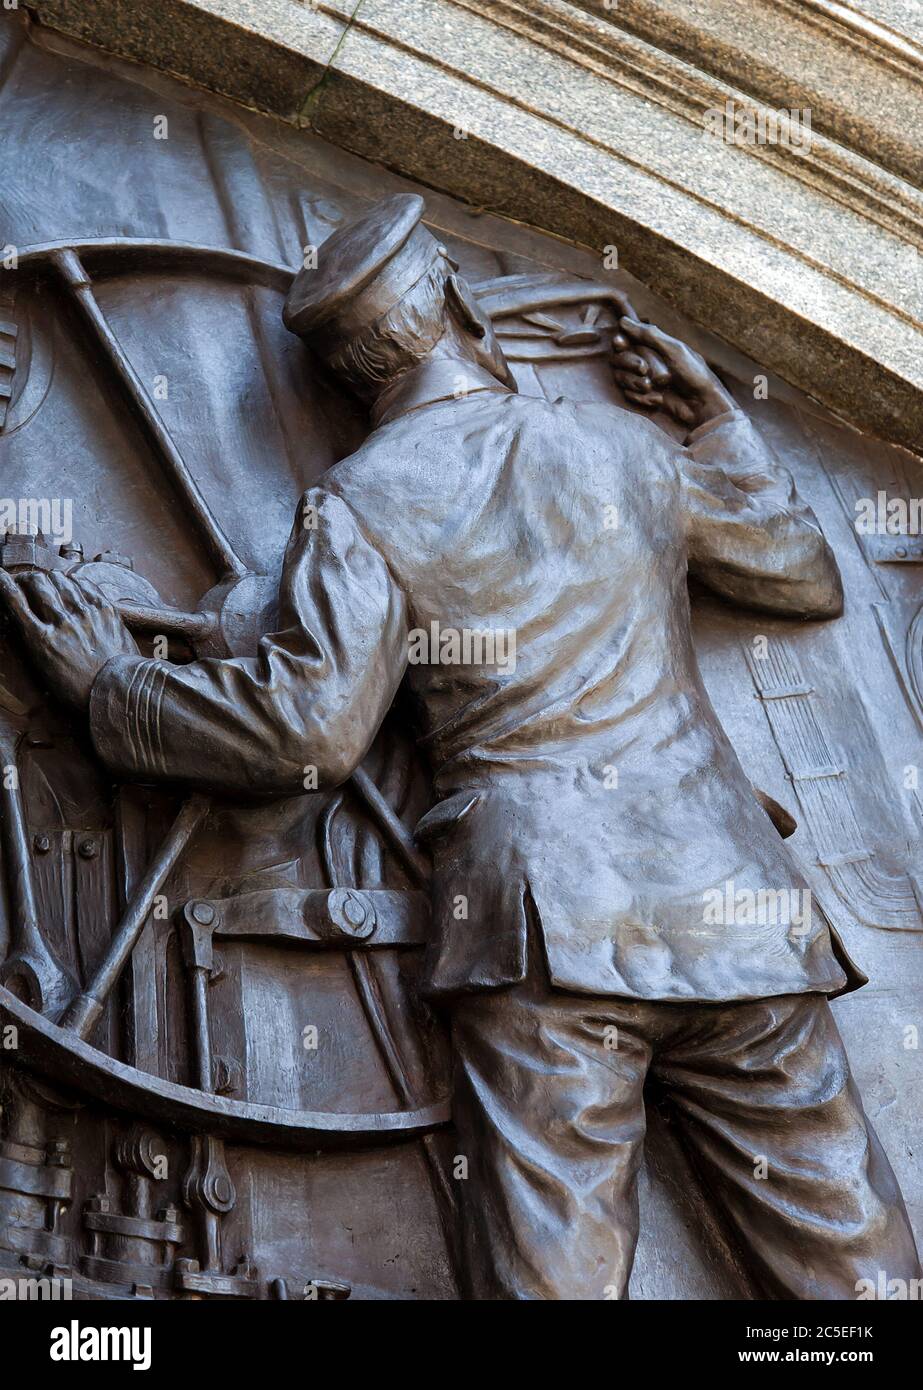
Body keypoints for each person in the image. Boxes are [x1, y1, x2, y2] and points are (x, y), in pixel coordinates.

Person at [1, 194, 918, 1299]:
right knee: (851, 1272)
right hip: (741, 914)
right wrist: (717, 418)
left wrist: (115, 687)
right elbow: (800, 571)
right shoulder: (622, 445)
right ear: (455, 307)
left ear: (348, 379)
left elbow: (305, 730)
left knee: (551, 1279)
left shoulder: (362, 499)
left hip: (544, 932)